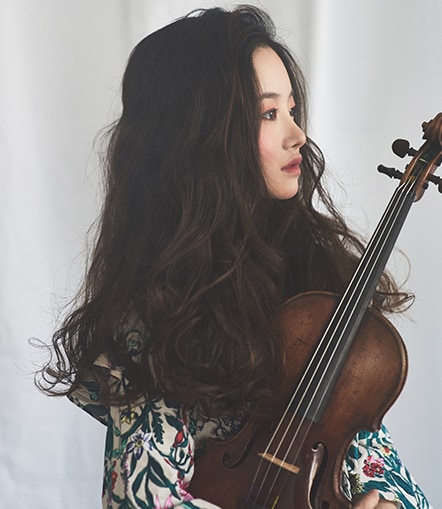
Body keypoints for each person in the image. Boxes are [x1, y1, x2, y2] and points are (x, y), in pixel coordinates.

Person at [38, 5, 432, 509]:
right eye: (269, 113)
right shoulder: (155, 313)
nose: (298, 135)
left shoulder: (311, 277)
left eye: (292, 109)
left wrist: (388, 502)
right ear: (201, 138)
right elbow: (144, 497)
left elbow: (371, 458)